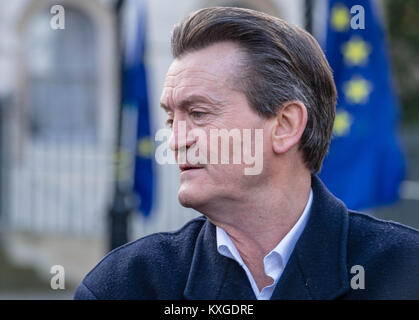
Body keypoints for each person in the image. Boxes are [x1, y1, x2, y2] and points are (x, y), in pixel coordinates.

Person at [74, 7, 419, 300]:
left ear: (285, 125)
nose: (174, 139)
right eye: (170, 118)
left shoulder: (406, 272)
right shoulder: (124, 286)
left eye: (198, 113)